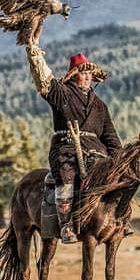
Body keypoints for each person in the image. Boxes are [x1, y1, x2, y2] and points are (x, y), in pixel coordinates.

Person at [24, 41, 129, 243]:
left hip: (97, 155)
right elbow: (44, 79)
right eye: (83, 73)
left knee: (115, 180)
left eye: (90, 73)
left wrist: (121, 160)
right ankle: (66, 225)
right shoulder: (61, 93)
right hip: (66, 150)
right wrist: (34, 53)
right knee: (67, 178)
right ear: (73, 75)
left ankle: (118, 220)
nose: (87, 76)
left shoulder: (100, 105)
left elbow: (110, 137)